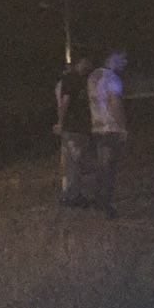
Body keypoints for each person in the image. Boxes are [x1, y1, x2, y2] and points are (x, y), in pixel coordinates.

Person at [87, 50, 129, 219]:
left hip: (97, 126)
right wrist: (122, 127)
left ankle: (98, 200)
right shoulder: (112, 78)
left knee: (102, 166)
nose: (124, 63)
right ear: (112, 58)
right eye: (122, 59)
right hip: (111, 128)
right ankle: (108, 205)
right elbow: (115, 103)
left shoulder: (93, 77)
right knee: (109, 168)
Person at [54, 55, 93, 207]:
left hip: (81, 127)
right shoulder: (71, 80)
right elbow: (64, 103)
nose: (89, 65)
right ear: (80, 62)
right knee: (74, 162)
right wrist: (61, 123)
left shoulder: (83, 79)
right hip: (73, 127)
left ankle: (76, 193)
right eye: (86, 62)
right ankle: (72, 195)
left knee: (78, 162)